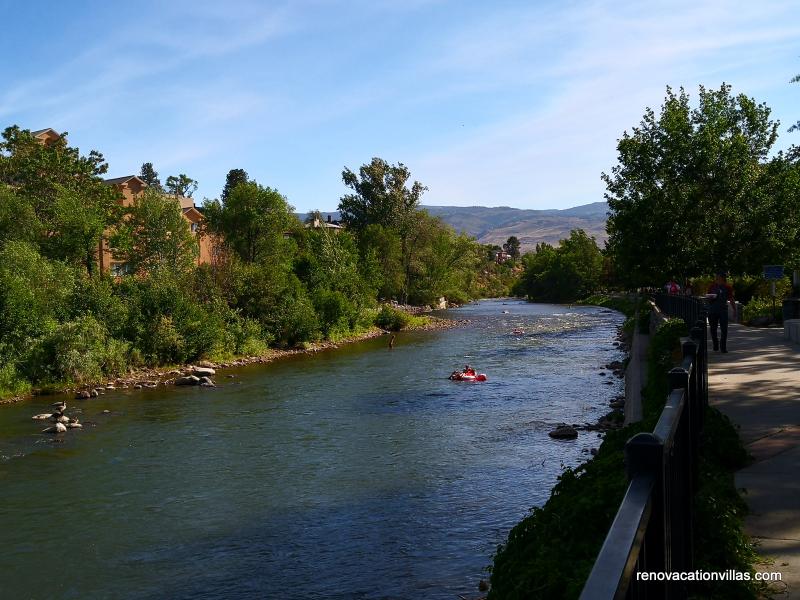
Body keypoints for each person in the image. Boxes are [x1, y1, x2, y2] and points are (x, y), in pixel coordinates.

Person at [706, 273, 736, 352]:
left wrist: (734, 309)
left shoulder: (727, 287)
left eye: (717, 276)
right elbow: (708, 298)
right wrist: (711, 296)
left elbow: (731, 299)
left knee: (724, 329)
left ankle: (723, 347)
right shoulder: (712, 286)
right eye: (716, 277)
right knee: (713, 329)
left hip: (723, 310)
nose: (716, 278)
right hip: (712, 310)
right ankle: (715, 344)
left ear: (722, 278)